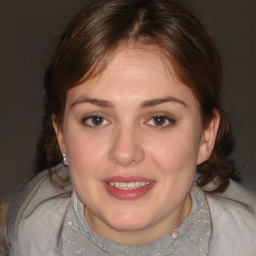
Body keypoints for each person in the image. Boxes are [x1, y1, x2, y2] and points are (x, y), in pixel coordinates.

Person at [7, 0, 256, 255]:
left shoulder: (246, 243)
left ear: (206, 137)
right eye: (96, 119)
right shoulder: (36, 234)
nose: (125, 153)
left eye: (159, 119)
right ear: (61, 136)